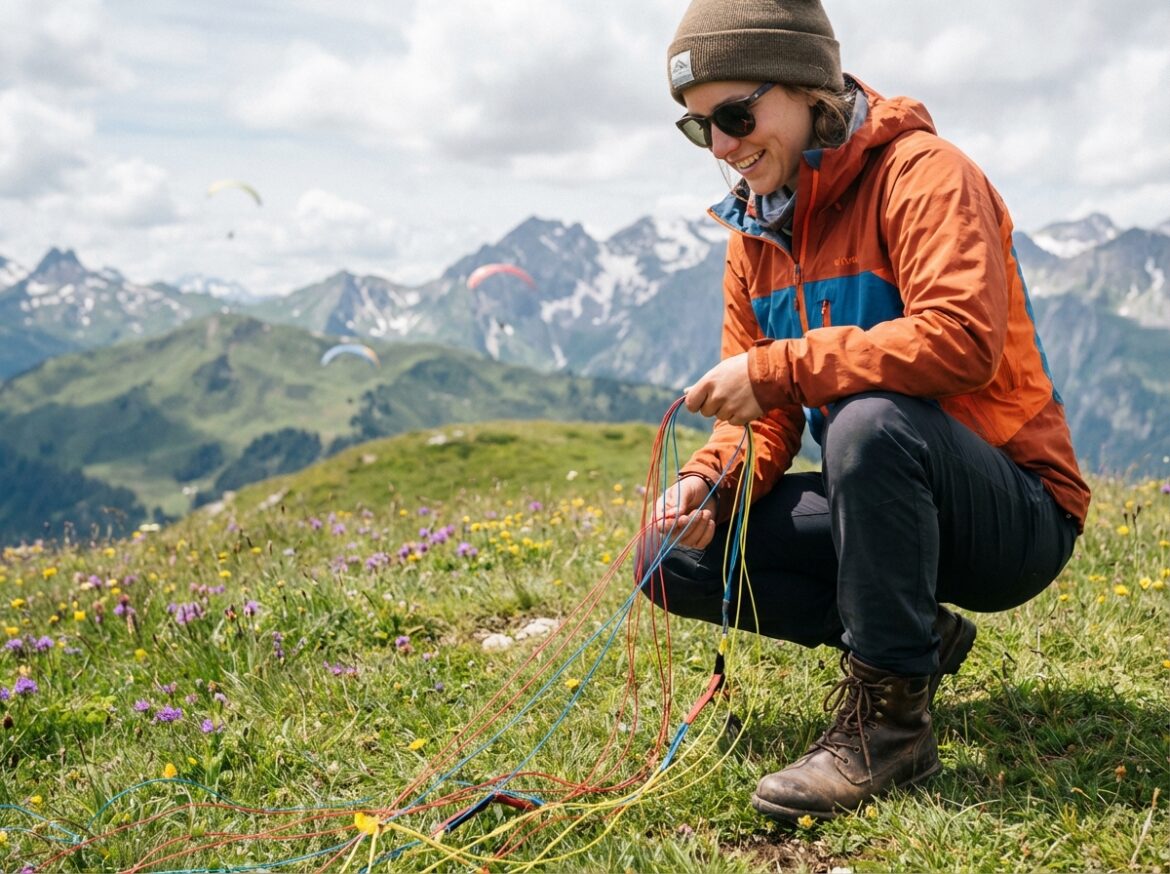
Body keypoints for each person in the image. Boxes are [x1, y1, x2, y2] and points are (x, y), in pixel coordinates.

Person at [644, 0, 1091, 824]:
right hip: (884, 501)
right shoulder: (755, 236)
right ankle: (912, 635)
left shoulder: (925, 174)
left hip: (1015, 515)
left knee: (867, 419)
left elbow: (959, 341)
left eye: (737, 115)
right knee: (668, 557)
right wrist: (714, 479)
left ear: (812, 88)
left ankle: (890, 729)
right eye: (699, 127)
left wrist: (777, 368)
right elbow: (767, 414)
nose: (722, 148)